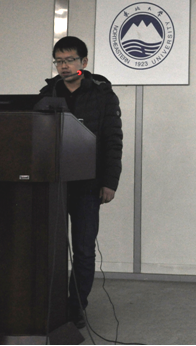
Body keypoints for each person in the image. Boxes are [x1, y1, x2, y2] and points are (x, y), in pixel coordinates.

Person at [38, 36, 123, 329]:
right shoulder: (47, 93)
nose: (63, 66)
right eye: (59, 61)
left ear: (83, 62)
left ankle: (75, 307)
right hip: (52, 183)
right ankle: (49, 304)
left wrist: (110, 182)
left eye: (70, 60)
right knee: (49, 248)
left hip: (88, 183)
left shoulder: (102, 94)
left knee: (84, 249)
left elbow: (113, 141)